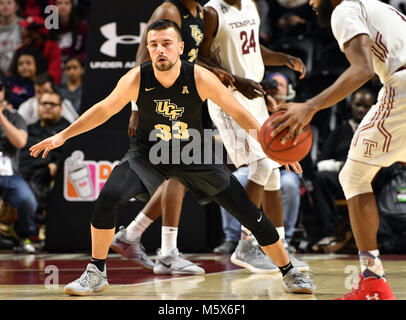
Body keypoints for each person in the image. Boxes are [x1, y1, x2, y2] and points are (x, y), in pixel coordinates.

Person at [29, 19, 316, 296]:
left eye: (166, 43)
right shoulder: (137, 77)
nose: (159, 50)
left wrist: (270, 147)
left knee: (249, 213)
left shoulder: (200, 77)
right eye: (153, 45)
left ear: (181, 47)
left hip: (194, 152)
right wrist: (62, 135)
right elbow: (103, 110)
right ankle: (96, 272)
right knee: (110, 195)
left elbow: (240, 114)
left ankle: (290, 272)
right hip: (148, 153)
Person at [269, 0, 405, 300]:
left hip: (403, 88)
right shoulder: (378, 7)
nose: (312, 3)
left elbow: (361, 69)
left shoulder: (345, 9)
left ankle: (373, 283)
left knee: (354, 177)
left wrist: (309, 106)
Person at [111, 0, 234, 275]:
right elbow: (143, 59)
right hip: (162, 99)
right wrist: (135, 108)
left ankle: (133, 235)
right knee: (179, 174)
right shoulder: (168, 11)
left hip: (187, 99)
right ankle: (165, 252)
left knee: (180, 175)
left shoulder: (202, 12)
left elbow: (190, 57)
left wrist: (216, 72)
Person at [199, 0, 309, 273]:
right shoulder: (212, 12)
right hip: (228, 98)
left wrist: (282, 58)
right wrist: (236, 80)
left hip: (254, 94)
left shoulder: (250, 5)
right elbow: (198, 59)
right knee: (261, 165)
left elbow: (251, 51)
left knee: (271, 171)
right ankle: (246, 243)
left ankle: (279, 249)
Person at [310, 87, 374, 252]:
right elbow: (322, 160)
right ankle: (328, 232)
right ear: (350, 105)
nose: (361, 110)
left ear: (373, 107)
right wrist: (342, 165)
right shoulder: (341, 130)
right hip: (343, 177)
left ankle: (380, 232)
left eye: (366, 106)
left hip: (371, 178)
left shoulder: (377, 129)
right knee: (320, 177)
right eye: (358, 105)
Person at [0, 73, 38, 253]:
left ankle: (24, 236)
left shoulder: (14, 116)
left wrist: (1, 117)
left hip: (10, 174)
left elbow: (20, 142)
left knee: (27, 201)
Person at [19, 91, 70, 213]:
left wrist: (56, 165)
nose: (48, 107)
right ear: (38, 107)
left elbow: (72, 154)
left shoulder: (68, 130)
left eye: (53, 104)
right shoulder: (29, 129)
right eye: (44, 103)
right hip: (24, 175)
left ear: (60, 108)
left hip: (49, 179)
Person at [18, 16, 62, 85]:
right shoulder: (23, 48)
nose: (24, 32)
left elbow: (54, 74)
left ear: (36, 33)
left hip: (43, 85)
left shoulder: (51, 47)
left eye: (28, 30)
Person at [51, 0, 88, 66]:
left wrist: (74, 60)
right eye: (59, 3)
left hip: (76, 65)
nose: (62, 6)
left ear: (72, 6)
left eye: (66, 3)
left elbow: (86, 51)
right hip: (57, 65)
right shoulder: (50, 27)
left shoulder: (81, 27)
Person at [0, 0, 23, 74]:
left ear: (16, 7)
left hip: (17, 73)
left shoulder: (23, 26)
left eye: (9, 2)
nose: (5, 5)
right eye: (1, 3)